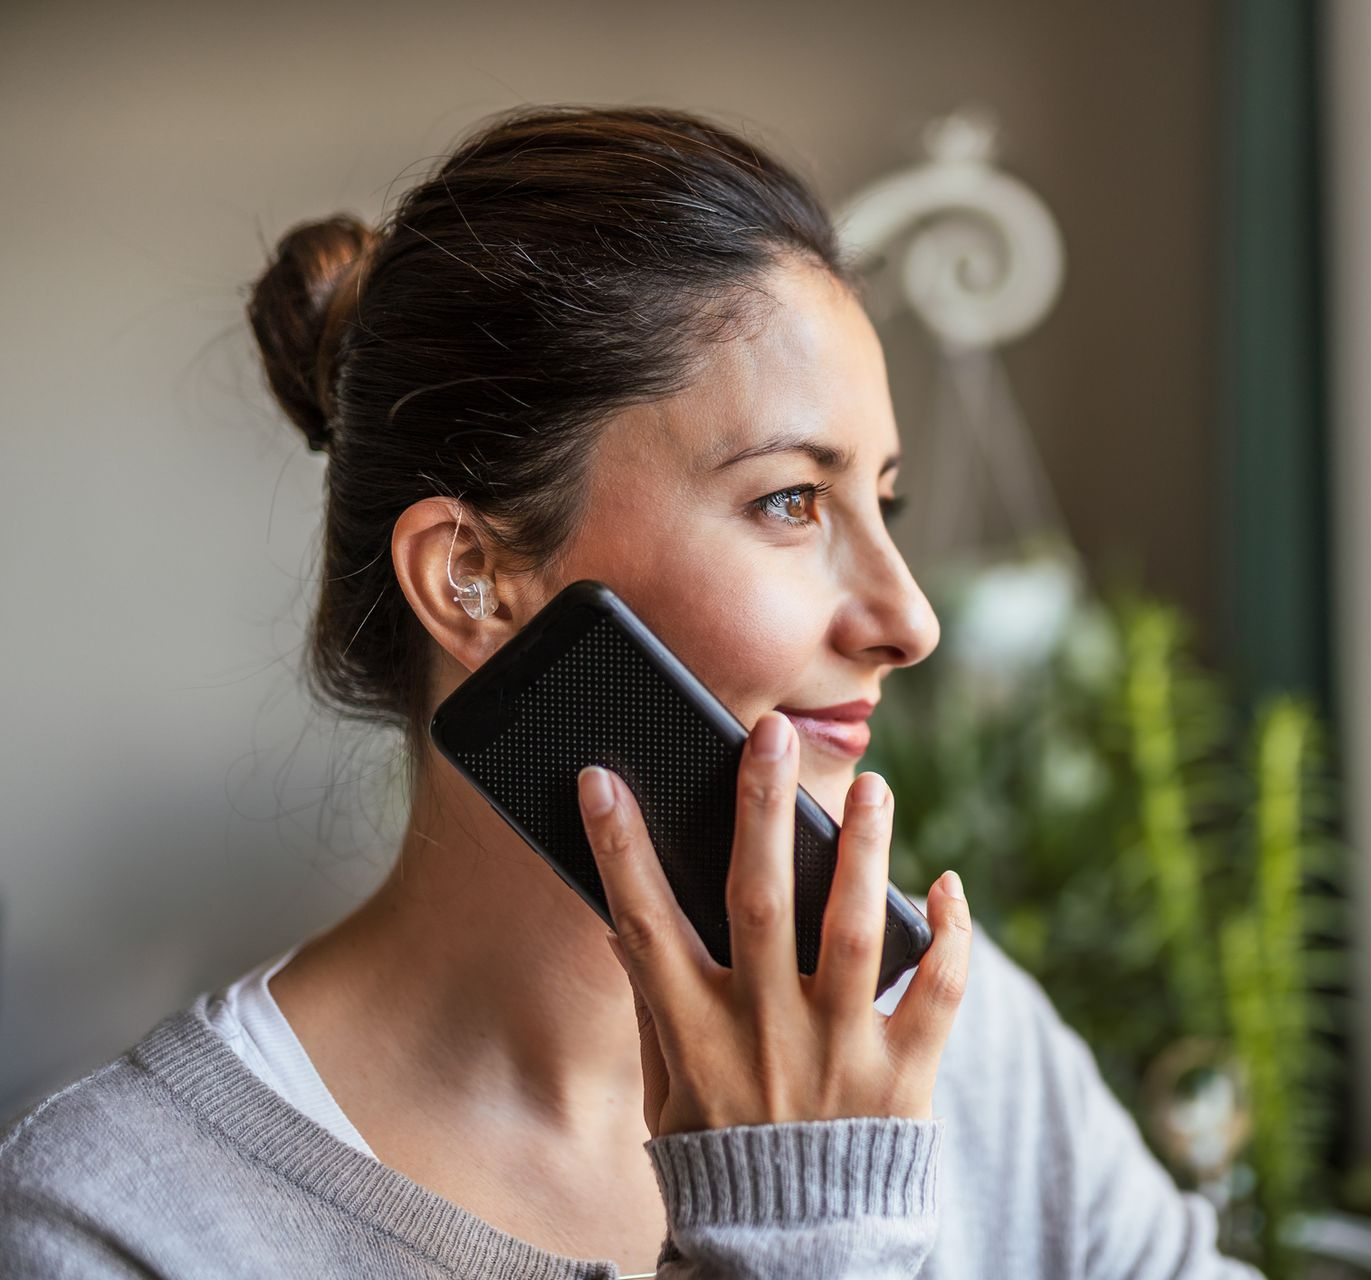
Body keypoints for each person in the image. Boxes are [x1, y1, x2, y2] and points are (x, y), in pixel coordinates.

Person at [0, 104, 1262, 1279]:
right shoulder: (123, 1218)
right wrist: (797, 1212)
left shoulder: (957, 1046)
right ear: (476, 578)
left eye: (886, 503)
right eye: (791, 501)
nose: (909, 619)